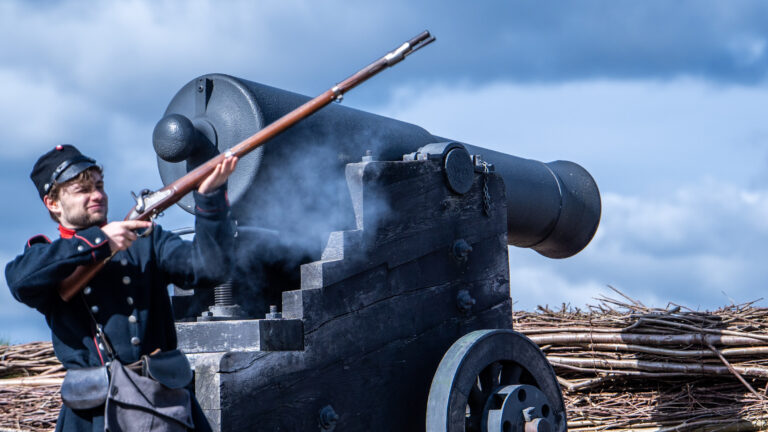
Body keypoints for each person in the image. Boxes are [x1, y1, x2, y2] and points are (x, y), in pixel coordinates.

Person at [5, 144, 238, 431]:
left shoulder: (146, 240)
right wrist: (98, 242)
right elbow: (18, 279)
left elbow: (210, 268)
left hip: (162, 401)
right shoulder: (50, 258)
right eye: (82, 190)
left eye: (99, 186)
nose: (97, 195)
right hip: (92, 412)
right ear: (53, 203)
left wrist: (210, 198)